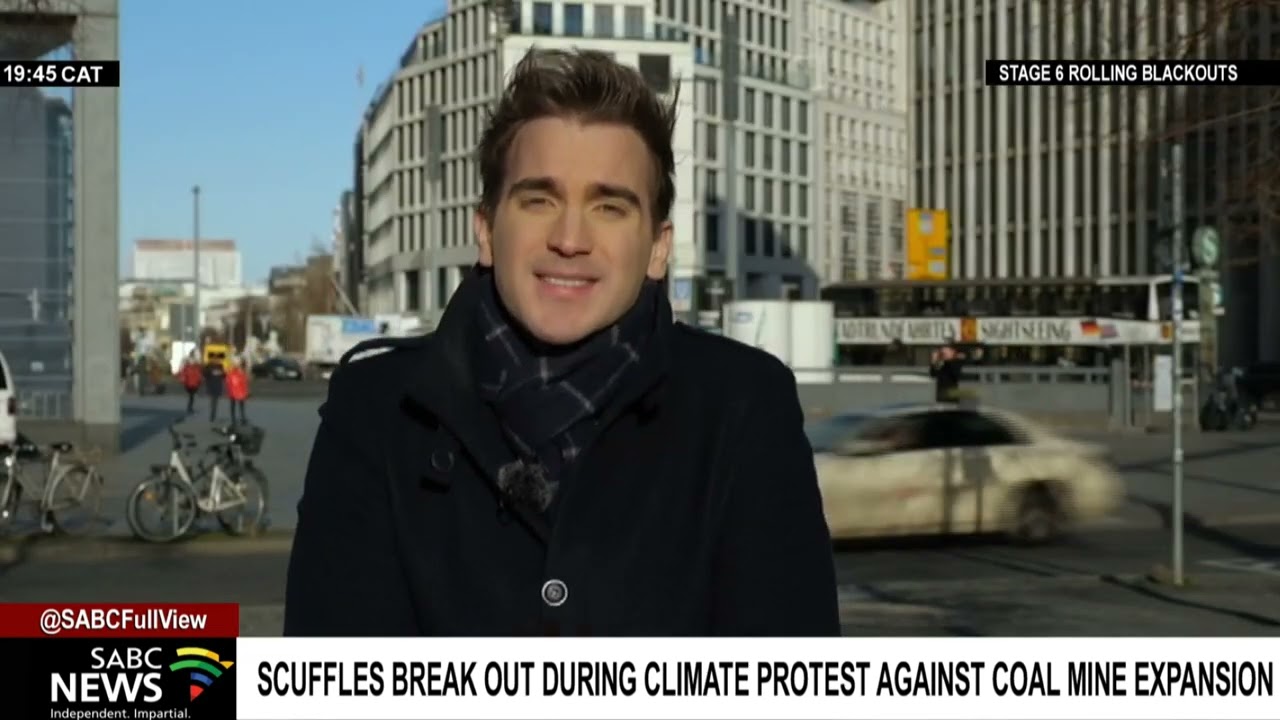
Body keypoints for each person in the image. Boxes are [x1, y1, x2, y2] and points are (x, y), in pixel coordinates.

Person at [284, 48, 839, 637]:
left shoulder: (743, 406)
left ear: (658, 248)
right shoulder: (377, 407)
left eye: (609, 207)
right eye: (539, 200)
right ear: (486, 230)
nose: (570, 239)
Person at [202, 352, 226, 422]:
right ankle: (212, 416)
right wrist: (211, 372)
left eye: (217, 359)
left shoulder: (220, 366)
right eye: (214, 359)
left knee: (215, 401)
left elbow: (224, 375)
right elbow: (205, 374)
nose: (216, 360)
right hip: (211, 385)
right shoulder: (208, 366)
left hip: (218, 385)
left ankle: (213, 415)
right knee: (213, 401)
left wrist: (222, 373)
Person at [226, 359, 249, 425]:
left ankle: (236, 419)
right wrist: (246, 392)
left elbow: (228, 383)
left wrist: (246, 392)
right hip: (238, 393)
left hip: (235, 393)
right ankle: (241, 419)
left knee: (235, 406)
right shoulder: (239, 373)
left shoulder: (232, 374)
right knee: (239, 406)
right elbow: (244, 383)